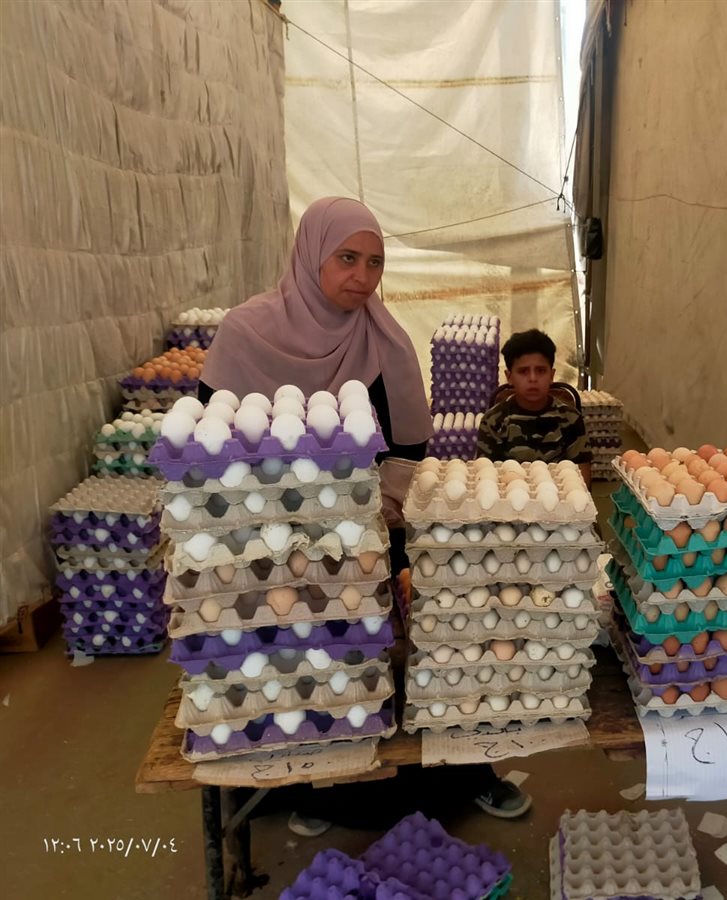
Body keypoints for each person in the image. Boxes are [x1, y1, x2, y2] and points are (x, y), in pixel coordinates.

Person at [199, 197, 531, 833]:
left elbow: (408, 448)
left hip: (366, 528)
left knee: (412, 646)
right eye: (347, 258)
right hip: (269, 536)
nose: (362, 276)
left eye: (374, 263)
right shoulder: (247, 332)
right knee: (294, 662)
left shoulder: (381, 339)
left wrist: (363, 506)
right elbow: (212, 441)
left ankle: (460, 772)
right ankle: (317, 786)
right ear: (310, 254)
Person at [476, 329, 593, 482]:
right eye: (523, 371)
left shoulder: (570, 419)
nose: (532, 378)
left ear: (551, 375)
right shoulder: (493, 421)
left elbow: (582, 475)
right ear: (509, 377)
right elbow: (486, 476)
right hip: (508, 493)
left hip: (558, 494)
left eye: (541, 371)